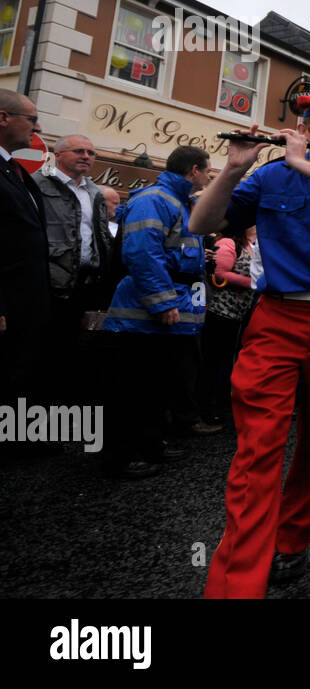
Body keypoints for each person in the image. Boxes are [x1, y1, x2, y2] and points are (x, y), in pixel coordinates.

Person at [191, 88, 310, 597]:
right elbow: (202, 224)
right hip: (278, 316)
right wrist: (233, 169)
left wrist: (300, 164)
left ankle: (293, 539)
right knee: (258, 446)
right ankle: (237, 584)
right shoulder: (268, 176)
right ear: (304, 127)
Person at [101, 145, 212, 479]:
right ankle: (121, 457)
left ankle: (150, 445)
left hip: (168, 312)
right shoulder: (155, 199)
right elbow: (142, 254)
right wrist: (163, 301)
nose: (209, 177)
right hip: (143, 316)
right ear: (194, 170)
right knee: (133, 390)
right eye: (207, 170)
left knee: (156, 387)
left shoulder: (179, 202)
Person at [36, 135, 112, 395]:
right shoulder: (39, 184)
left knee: (75, 348)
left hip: (86, 282)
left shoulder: (94, 191)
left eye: (91, 153)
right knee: (45, 348)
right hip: (50, 280)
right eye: (79, 151)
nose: (86, 157)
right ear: (58, 154)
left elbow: (100, 236)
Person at [0, 90, 51, 405]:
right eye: (31, 119)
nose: (39, 128)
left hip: (27, 303)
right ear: (3, 118)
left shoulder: (14, 171)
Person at [197, 226, 256, 427]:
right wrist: (252, 283)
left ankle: (220, 403)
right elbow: (220, 275)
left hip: (237, 313)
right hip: (220, 312)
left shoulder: (249, 246)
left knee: (225, 359)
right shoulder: (228, 243)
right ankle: (205, 408)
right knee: (212, 362)